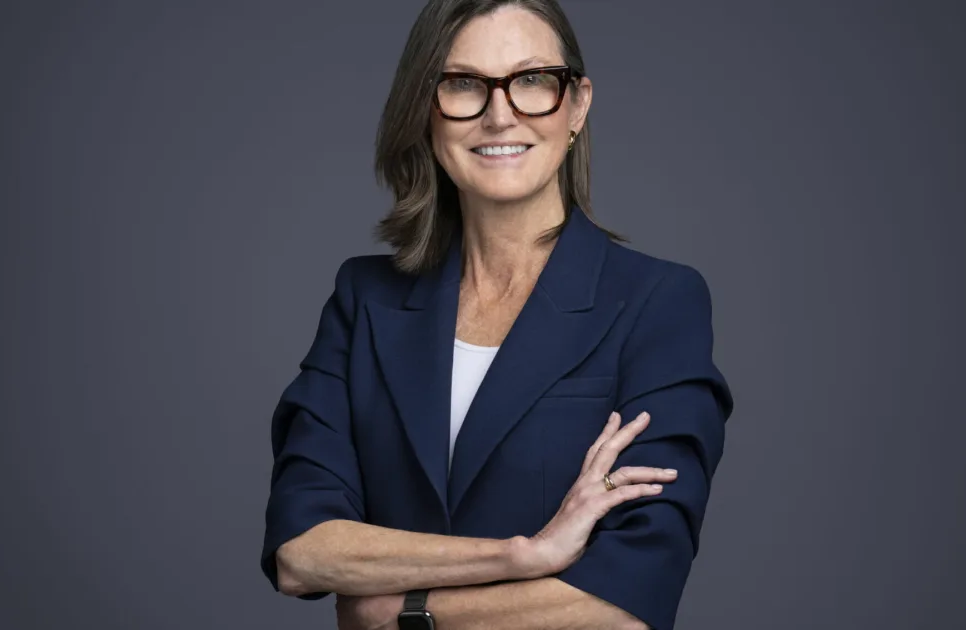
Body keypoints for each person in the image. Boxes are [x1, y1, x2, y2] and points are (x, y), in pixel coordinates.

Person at [260, 1, 735, 629]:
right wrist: (521, 555)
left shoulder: (657, 302)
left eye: (533, 80)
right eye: (463, 84)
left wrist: (403, 612)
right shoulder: (364, 298)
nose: (500, 114)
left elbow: (628, 602)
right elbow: (302, 552)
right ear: (424, 110)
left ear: (577, 106)